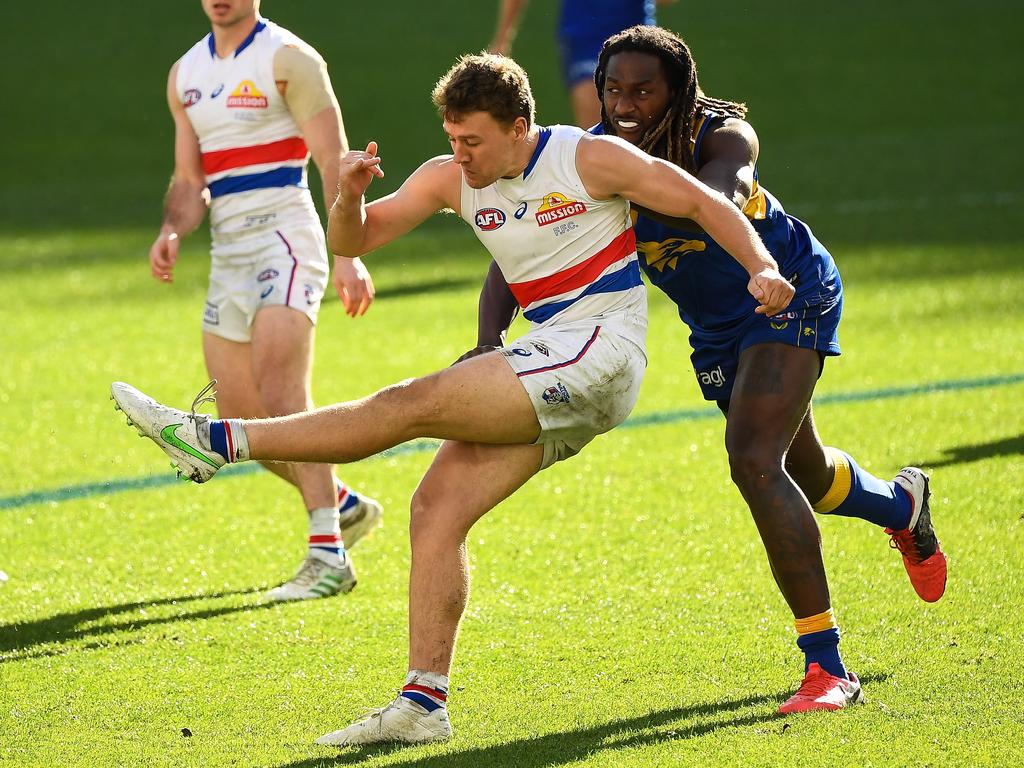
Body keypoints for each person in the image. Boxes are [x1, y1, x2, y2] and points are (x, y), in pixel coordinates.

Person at [112, 53, 795, 744]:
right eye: (451, 139)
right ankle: (423, 704)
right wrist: (347, 195)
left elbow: (702, 200)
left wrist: (762, 267)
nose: (459, 156)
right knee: (435, 509)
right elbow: (358, 237)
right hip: (554, 361)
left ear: (519, 127)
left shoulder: (588, 158)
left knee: (411, 402)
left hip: (603, 352)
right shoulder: (451, 178)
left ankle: (213, 440)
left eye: (472, 141)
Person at [467, 25, 948, 714]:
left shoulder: (720, 137)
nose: (625, 103)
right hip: (717, 327)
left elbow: (720, 193)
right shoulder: (592, 157)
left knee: (752, 460)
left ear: (679, 90)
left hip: (786, 291)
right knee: (803, 474)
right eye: (613, 89)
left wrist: (611, 190)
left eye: (644, 89)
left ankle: (828, 668)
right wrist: (489, 336)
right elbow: (516, 249)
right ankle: (903, 507)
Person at [148, 0, 383, 602]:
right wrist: (173, 229)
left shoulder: (290, 58)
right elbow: (189, 180)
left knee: (284, 399)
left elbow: (335, 159)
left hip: (287, 237)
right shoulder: (184, 75)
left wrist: (347, 253)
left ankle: (327, 554)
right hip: (227, 253)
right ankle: (341, 504)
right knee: (244, 421)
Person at [489, 0, 675, 128]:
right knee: (601, 135)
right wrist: (502, 39)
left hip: (636, 37)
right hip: (583, 39)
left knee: (648, 133)